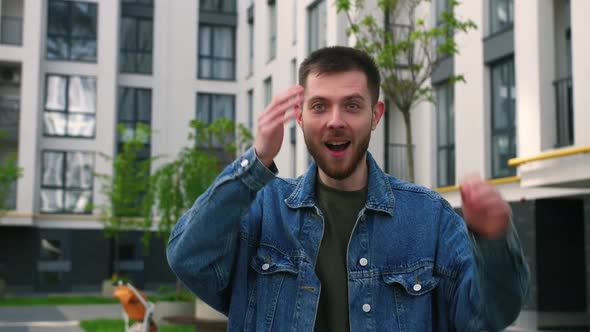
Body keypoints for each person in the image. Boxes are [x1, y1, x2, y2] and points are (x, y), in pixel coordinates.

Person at [167, 46, 530, 331]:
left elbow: (485, 318)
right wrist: (257, 161)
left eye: (352, 106)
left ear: (375, 115)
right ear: (299, 117)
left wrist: (494, 242)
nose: (335, 121)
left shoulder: (430, 218)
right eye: (320, 106)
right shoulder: (262, 209)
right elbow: (189, 258)